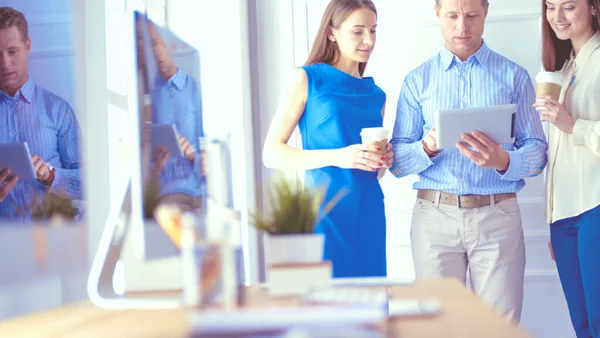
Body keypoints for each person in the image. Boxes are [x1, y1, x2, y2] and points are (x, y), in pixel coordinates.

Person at [389, 0, 548, 322]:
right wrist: (427, 147)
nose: (462, 27)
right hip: (433, 219)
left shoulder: (514, 76)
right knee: (438, 326)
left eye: (472, 15)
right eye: (452, 16)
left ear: (486, 12)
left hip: (497, 217)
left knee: (498, 326)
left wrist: (504, 160)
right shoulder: (417, 80)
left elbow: (538, 152)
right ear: (437, 14)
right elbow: (397, 163)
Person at [262, 0, 393, 278]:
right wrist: (336, 156)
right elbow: (271, 153)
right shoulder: (307, 79)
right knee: (327, 302)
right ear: (332, 33)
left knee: (371, 302)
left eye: (373, 30)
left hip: (369, 208)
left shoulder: (377, 95)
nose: (368, 40)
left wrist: (381, 162)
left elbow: (373, 173)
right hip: (325, 210)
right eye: (358, 31)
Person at [534, 0, 600, 336]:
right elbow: (558, 156)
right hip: (565, 218)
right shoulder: (564, 69)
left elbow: (572, 131)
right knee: (583, 324)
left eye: (569, 6)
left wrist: (573, 124)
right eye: (550, 6)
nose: (557, 17)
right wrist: (553, 216)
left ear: (593, 8)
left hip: (595, 207)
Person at [0, 7, 82, 221]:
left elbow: (89, 183)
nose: (4, 63)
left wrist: (51, 175)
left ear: (28, 46)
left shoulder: (58, 111)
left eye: (12, 51)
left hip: (53, 240)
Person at [136, 15, 205, 216]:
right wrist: (155, 166)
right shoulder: (146, 98)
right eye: (147, 45)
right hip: (166, 199)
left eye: (157, 43)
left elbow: (218, 158)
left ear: (169, 45)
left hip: (200, 195)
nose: (155, 52)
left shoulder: (197, 91)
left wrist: (193, 155)